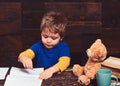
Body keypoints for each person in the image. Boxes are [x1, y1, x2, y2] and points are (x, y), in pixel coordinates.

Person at [18, 11, 71, 80]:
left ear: (61, 38)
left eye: (53, 38)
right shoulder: (38, 46)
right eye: (45, 36)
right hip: (41, 77)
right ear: (41, 33)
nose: (48, 41)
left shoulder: (63, 47)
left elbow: (65, 61)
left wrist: (51, 70)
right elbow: (23, 55)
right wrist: (25, 59)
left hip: (57, 78)